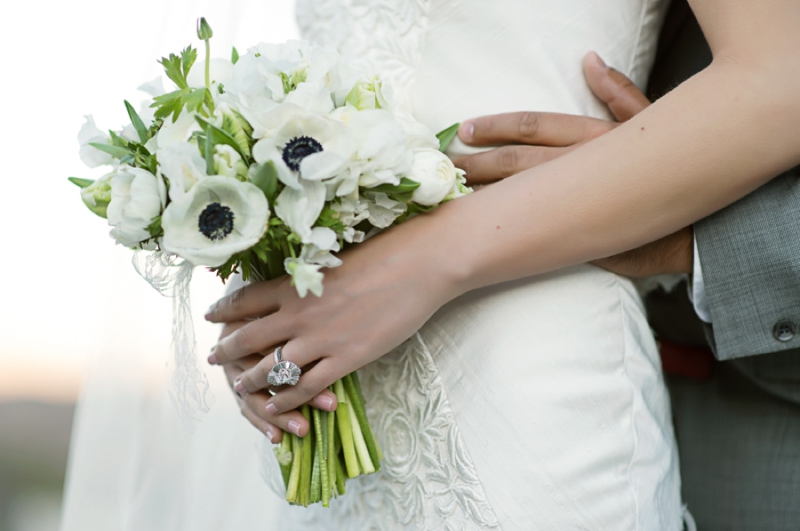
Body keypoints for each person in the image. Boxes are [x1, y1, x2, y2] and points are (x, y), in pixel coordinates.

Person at [206, 0, 800, 529]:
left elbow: (778, 80)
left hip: (531, 356)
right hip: (348, 369)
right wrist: (280, 314)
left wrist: (426, 258)